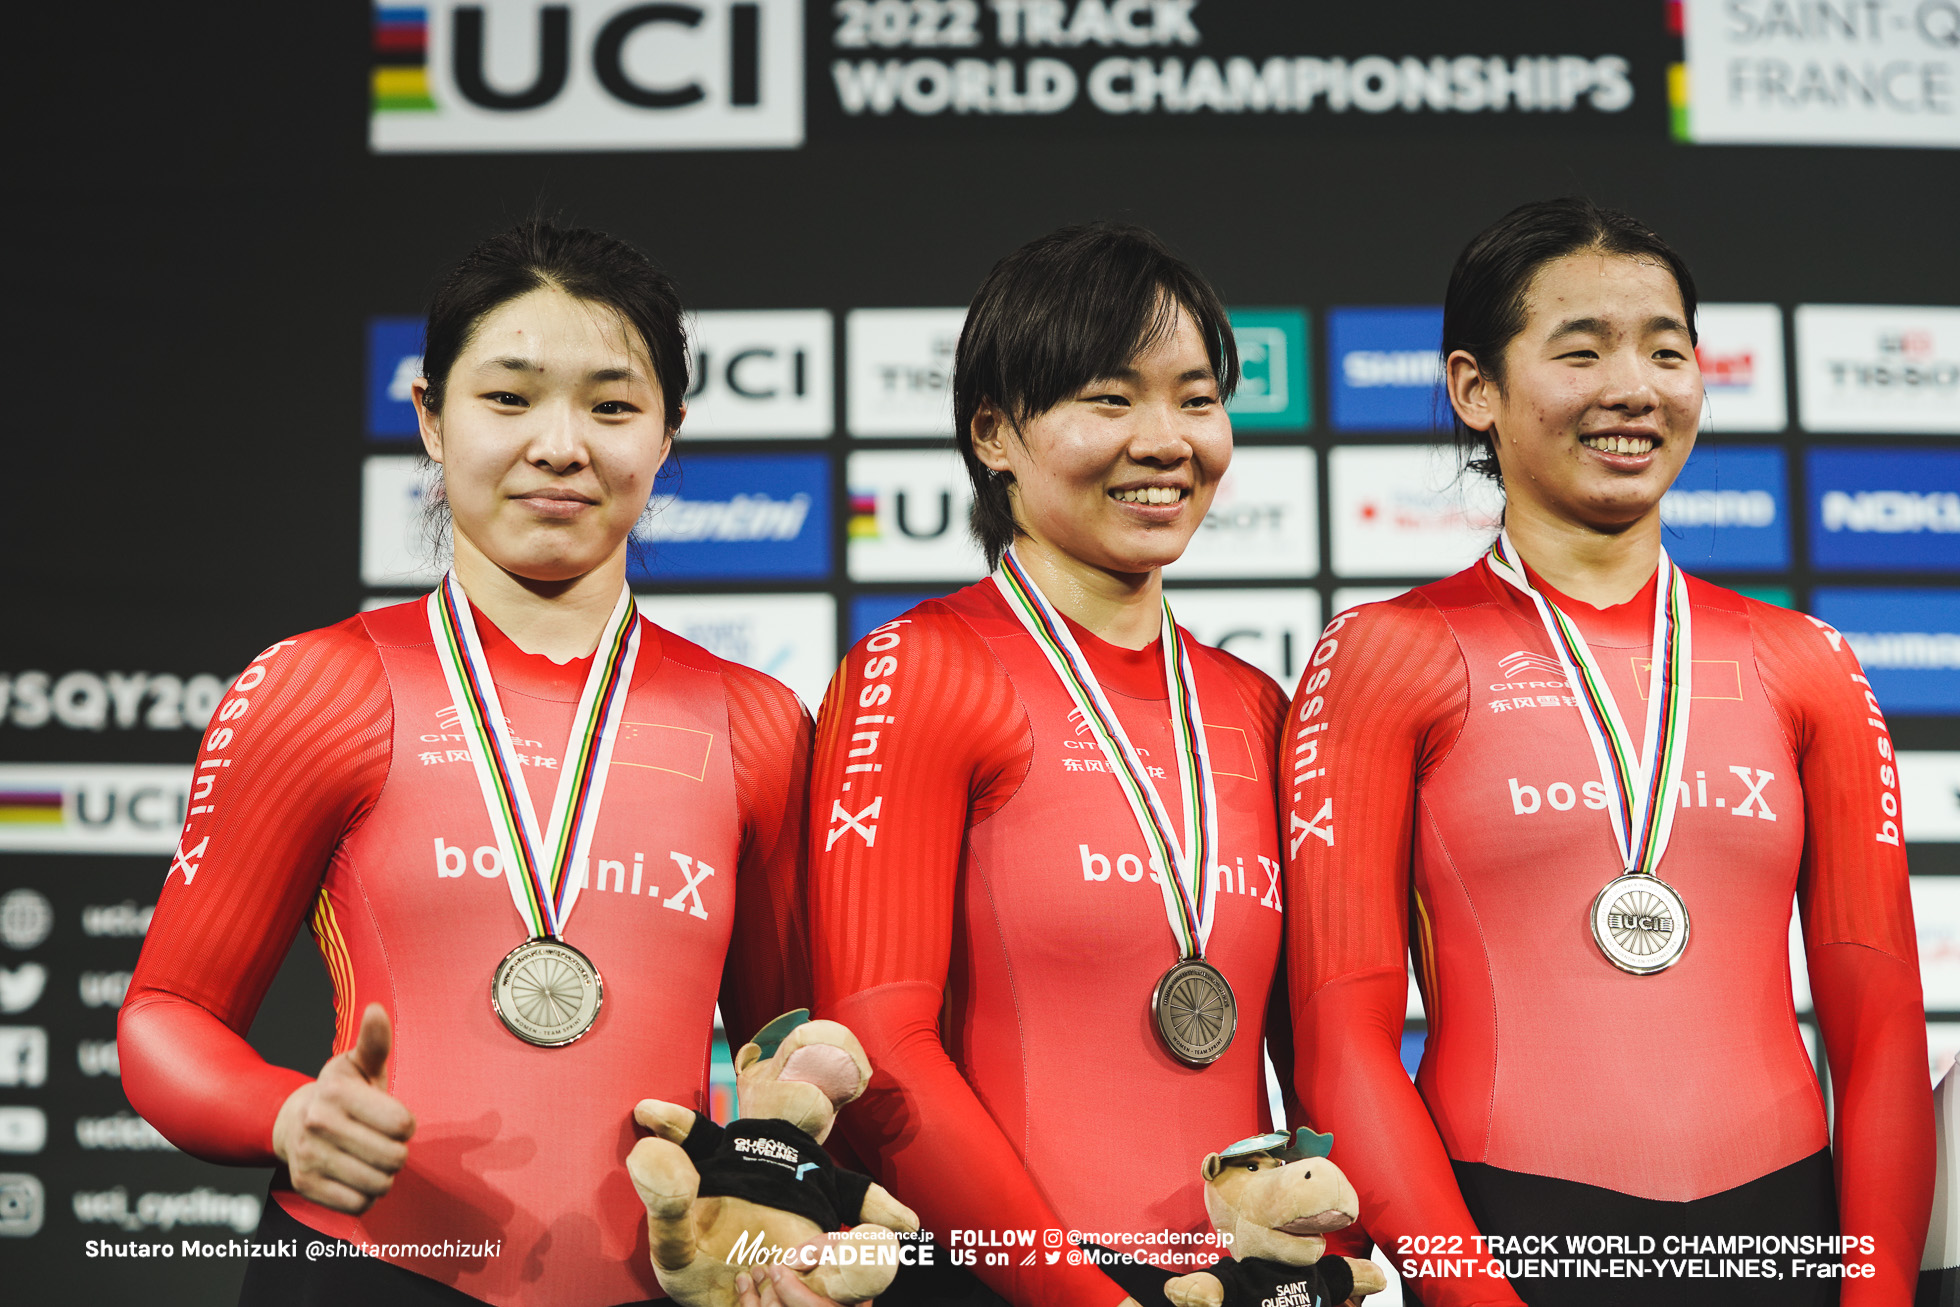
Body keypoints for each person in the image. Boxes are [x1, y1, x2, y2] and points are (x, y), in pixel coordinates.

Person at [120, 222, 813, 1306]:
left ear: (669, 434)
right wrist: (286, 1114)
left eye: (613, 405)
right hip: (360, 1270)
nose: (559, 443)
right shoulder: (320, 687)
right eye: (509, 398)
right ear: (430, 420)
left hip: (663, 1286)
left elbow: (787, 1049)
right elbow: (167, 1010)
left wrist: (773, 1197)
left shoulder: (757, 721)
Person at [1284, 197, 1932, 1306]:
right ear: (1472, 388)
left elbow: (1880, 1040)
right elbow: (1337, 1043)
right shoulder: (1386, 654)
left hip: (1782, 1229)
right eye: (1579, 350)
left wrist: (1874, 1296)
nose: (1633, 387)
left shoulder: (1807, 658)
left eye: (1666, 350)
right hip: (1507, 1232)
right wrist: (1468, 1292)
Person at [807, 223, 1313, 1307]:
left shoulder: (1256, 706)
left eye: (1195, 397)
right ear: (994, 431)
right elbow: (879, 1041)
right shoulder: (922, 669)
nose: (1167, 439)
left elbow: (1316, 1062)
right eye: (1110, 397)